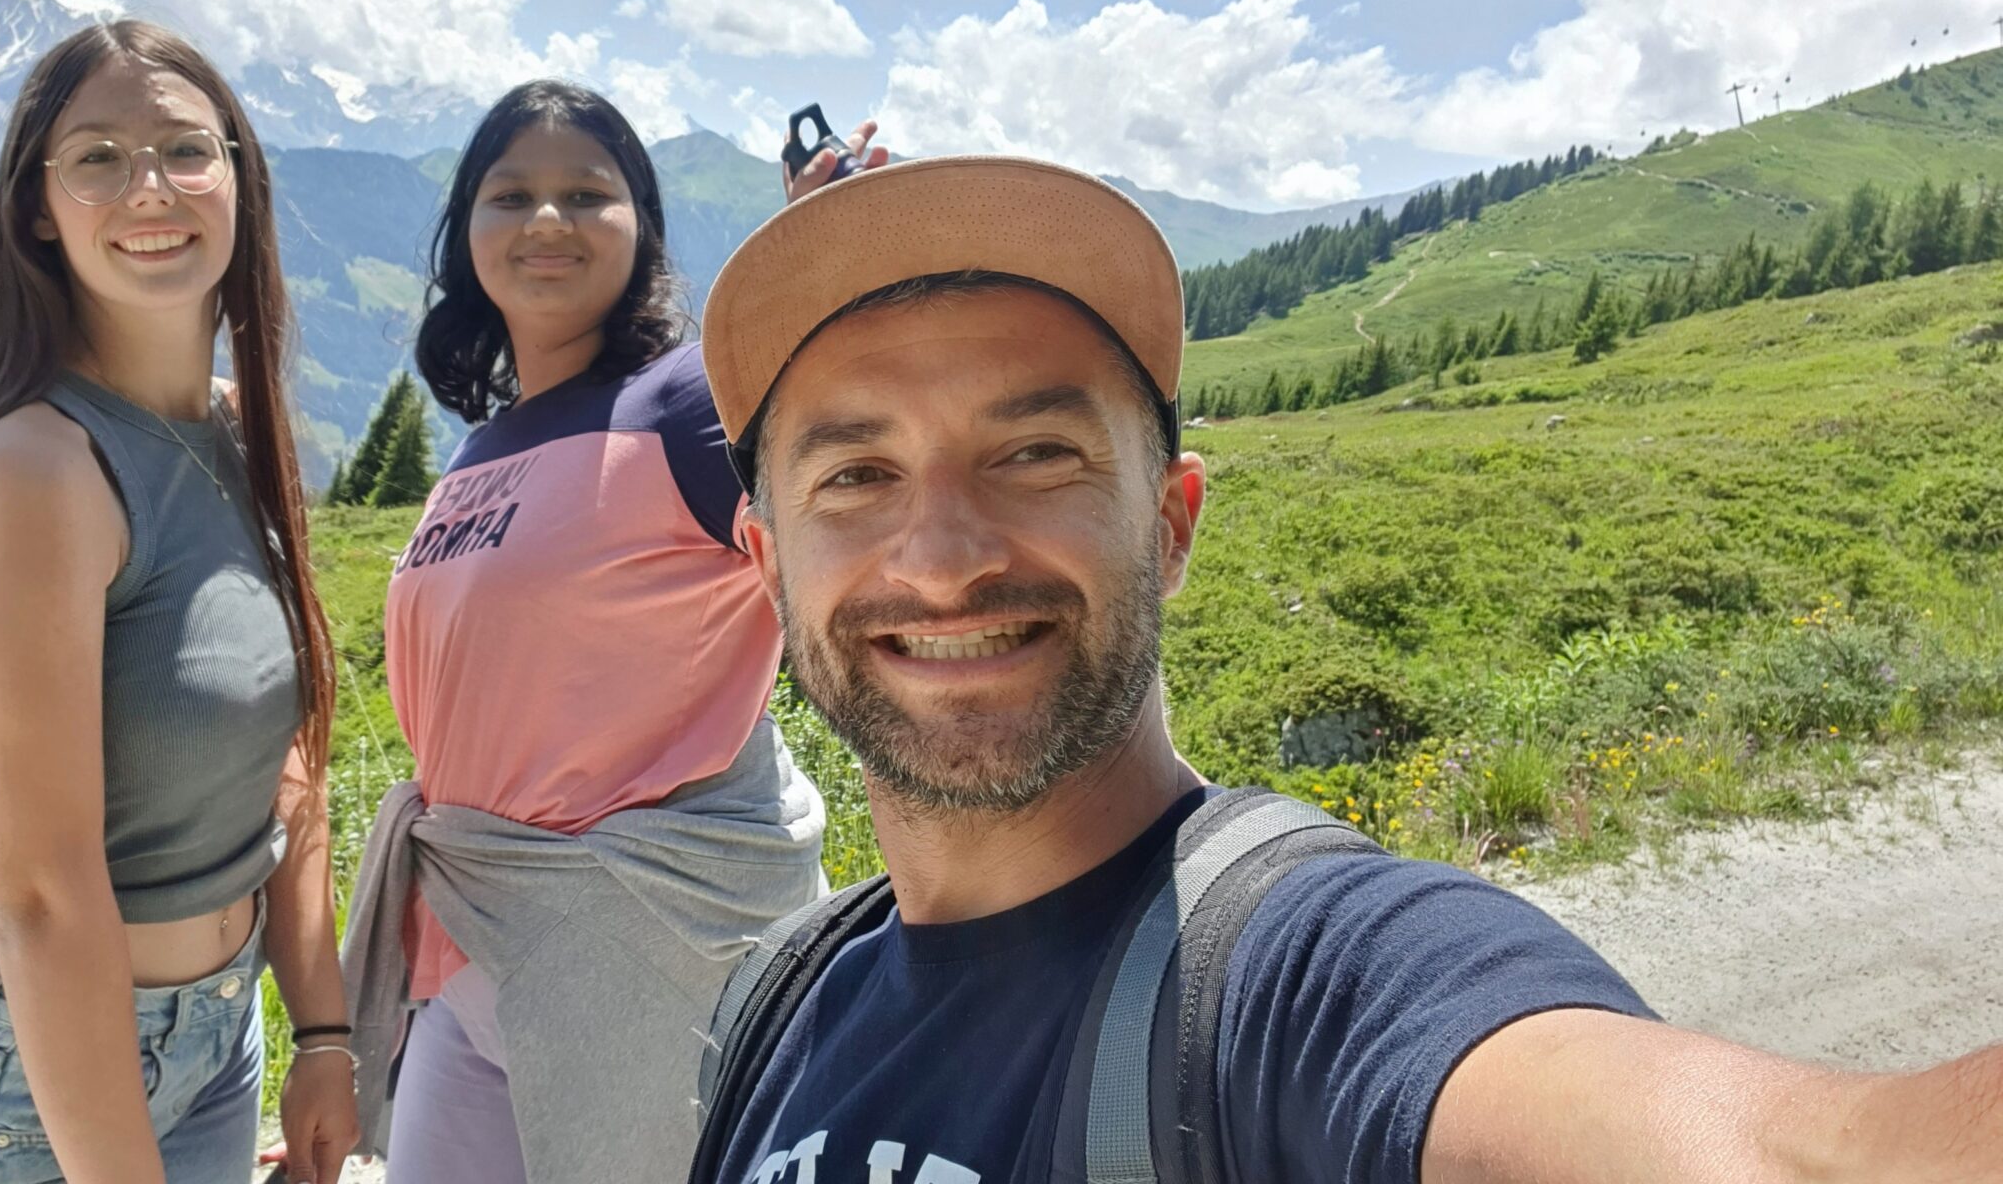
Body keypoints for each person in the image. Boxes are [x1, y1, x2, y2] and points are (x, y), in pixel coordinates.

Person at [687, 154, 2003, 1183]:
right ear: (766, 561)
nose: (946, 556)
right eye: (856, 475)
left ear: (1171, 522)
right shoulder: (774, 1005)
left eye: (1036, 455)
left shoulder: (1302, 980)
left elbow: (1790, 1154)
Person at [334, 82, 858, 1183]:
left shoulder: (683, 404)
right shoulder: (481, 447)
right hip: (471, 939)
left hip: (640, 949)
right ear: (466, 231)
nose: (546, 221)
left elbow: (856, 504)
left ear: (641, 228)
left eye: (587, 192)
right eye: (509, 193)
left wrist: (833, 257)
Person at [0, 20, 359, 1184]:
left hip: (217, 1040)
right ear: (38, 206)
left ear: (239, 177)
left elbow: (286, 771)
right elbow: (40, 894)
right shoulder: (28, 469)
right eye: (97, 156)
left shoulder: (237, 432)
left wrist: (323, 1033)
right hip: (30, 1081)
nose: (151, 187)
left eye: (188, 150)